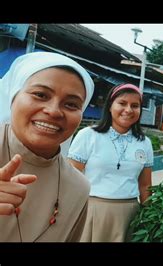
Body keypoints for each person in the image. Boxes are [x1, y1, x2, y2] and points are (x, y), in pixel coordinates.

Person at [0, 51, 94, 242]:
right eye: (40, 95)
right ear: (13, 95)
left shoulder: (78, 187)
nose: (53, 111)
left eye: (71, 104)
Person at [68, 83, 154, 242]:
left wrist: (150, 219)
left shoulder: (144, 143)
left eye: (135, 105)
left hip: (131, 214)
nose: (128, 109)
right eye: (122, 103)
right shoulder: (88, 135)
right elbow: (71, 180)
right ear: (109, 106)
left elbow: (145, 185)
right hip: (92, 211)